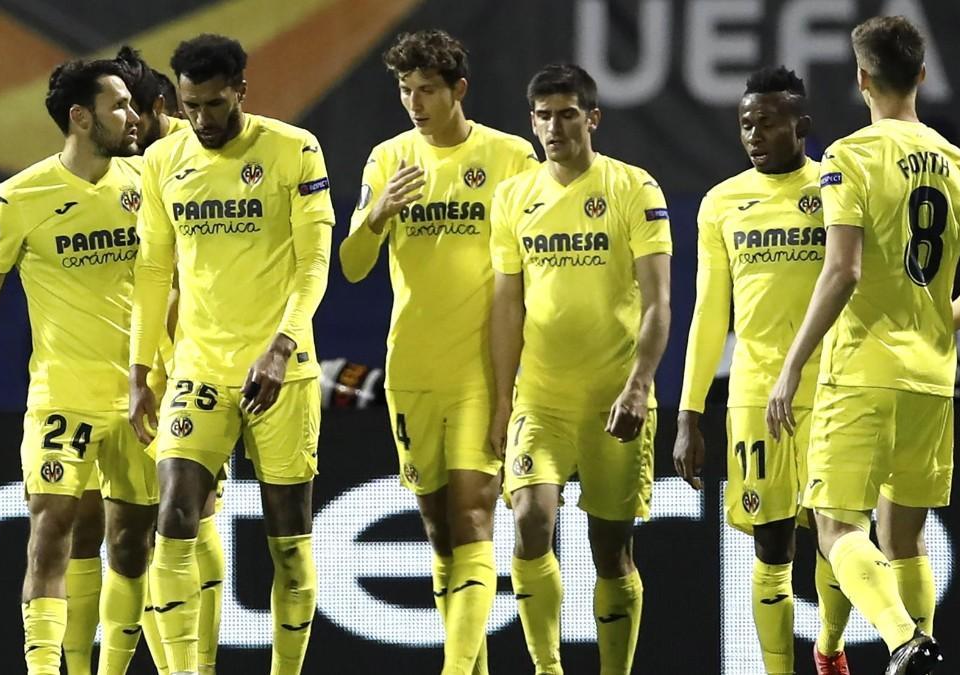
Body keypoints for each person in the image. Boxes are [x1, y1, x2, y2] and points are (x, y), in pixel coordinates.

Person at [765, 16, 960, 674]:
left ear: (862, 79)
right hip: (932, 378)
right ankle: (915, 651)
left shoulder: (850, 157)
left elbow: (843, 271)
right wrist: (939, 322)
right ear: (922, 78)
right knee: (904, 537)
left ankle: (904, 637)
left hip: (860, 372)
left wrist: (792, 365)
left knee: (837, 527)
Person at [0, 59, 159, 675]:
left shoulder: (151, 181)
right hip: (62, 394)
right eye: (119, 106)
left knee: (133, 547)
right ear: (80, 118)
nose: (133, 117)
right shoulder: (21, 196)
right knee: (52, 529)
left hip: (144, 395)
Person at [128, 34, 333, 675]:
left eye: (215, 104)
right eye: (190, 105)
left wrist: (281, 345)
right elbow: (154, 269)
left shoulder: (294, 149)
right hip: (199, 367)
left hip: (282, 370)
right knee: (175, 514)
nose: (202, 120)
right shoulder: (165, 161)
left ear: (241, 89)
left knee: (290, 545)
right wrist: (140, 371)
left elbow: (314, 264)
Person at [338, 29, 536, 675]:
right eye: (405, 90)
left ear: (459, 89)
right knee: (440, 531)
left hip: (483, 368)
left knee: (475, 510)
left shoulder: (509, 158)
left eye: (427, 89)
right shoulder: (387, 159)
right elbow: (354, 265)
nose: (415, 102)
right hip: (411, 367)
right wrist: (377, 215)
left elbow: (540, 264)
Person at [489, 63, 671, 675]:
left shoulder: (633, 189)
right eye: (543, 115)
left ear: (592, 118)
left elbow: (659, 303)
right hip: (541, 399)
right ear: (532, 122)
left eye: (568, 113)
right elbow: (507, 308)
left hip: (614, 400)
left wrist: (639, 387)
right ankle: (548, 668)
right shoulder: (514, 197)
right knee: (530, 518)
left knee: (610, 550)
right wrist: (499, 405)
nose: (554, 126)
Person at [673, 65, 854, 675]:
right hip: (755, 393)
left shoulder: (835, 187)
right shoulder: (721, 202)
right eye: (746, 123)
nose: (754, 134)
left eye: (768, 123)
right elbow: (707, 314)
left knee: (838, 533)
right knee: (772, 543)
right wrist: (689, 413)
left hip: (832, 389)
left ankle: (830, 648)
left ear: (801, 125)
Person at [112, 45, 230, 675]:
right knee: (135, 531)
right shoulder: (119, 163)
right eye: (114, 109)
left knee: (189, 513)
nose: (123, 121)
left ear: (158, 106)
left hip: (191, 364)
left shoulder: (194, 155)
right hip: (129, 363)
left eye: (131, 108)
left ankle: (197, 666)